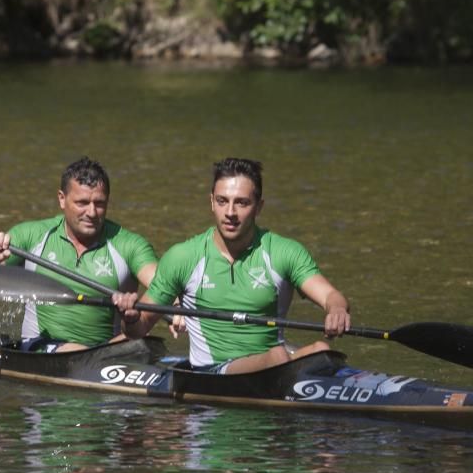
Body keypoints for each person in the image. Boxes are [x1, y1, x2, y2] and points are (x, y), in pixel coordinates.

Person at [113, 158, 350, 374]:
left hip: (271, 366)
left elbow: (330, 295)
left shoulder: (283, 252)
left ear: (259, 207)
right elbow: (139, 330)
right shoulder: (183, 257)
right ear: (212, 203)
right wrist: (131, 318)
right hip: (213, 372)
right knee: (279, 356)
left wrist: (337, 310)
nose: (230, 213)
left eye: (242, 203)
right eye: (222, 201)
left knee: (321, 349)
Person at [0, 157, 159, 352]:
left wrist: (177, 308)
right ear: (62, 199)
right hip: (42, 347)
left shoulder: (129, 244)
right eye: (82, 203)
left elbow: (163, 286)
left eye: (99, 203)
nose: (92, 212)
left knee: (145, 339)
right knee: (76, 349)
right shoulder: (31, 236)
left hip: (105, 351)